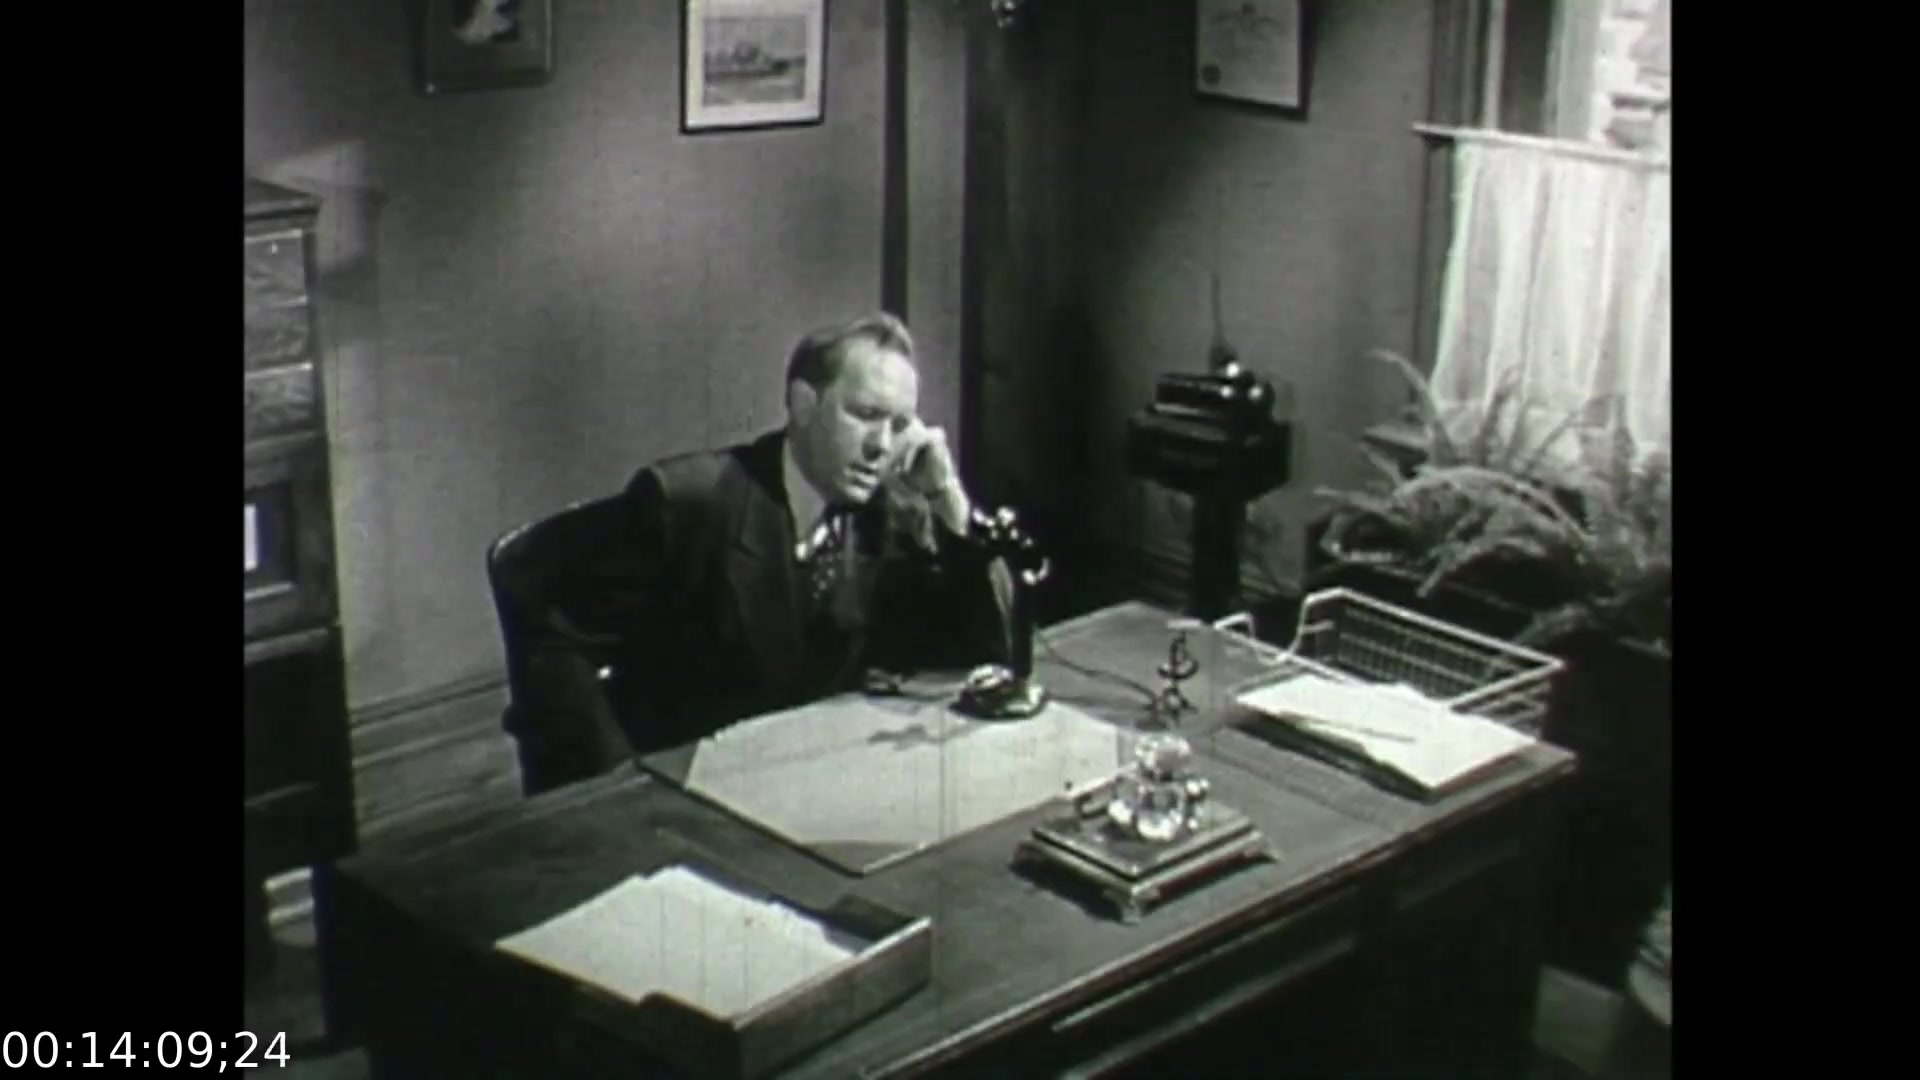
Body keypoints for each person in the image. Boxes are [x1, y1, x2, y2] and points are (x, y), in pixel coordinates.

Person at [504, 312, 1011, 793]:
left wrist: (949, 497)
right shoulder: (687, 503)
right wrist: (613, 790)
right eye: (866, 415)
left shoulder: (890, 514)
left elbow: (988, 654)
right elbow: (557, 640)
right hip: (688, 789)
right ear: (804, 404)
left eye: (900, 425)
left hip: (809, 780)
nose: (882, 446)